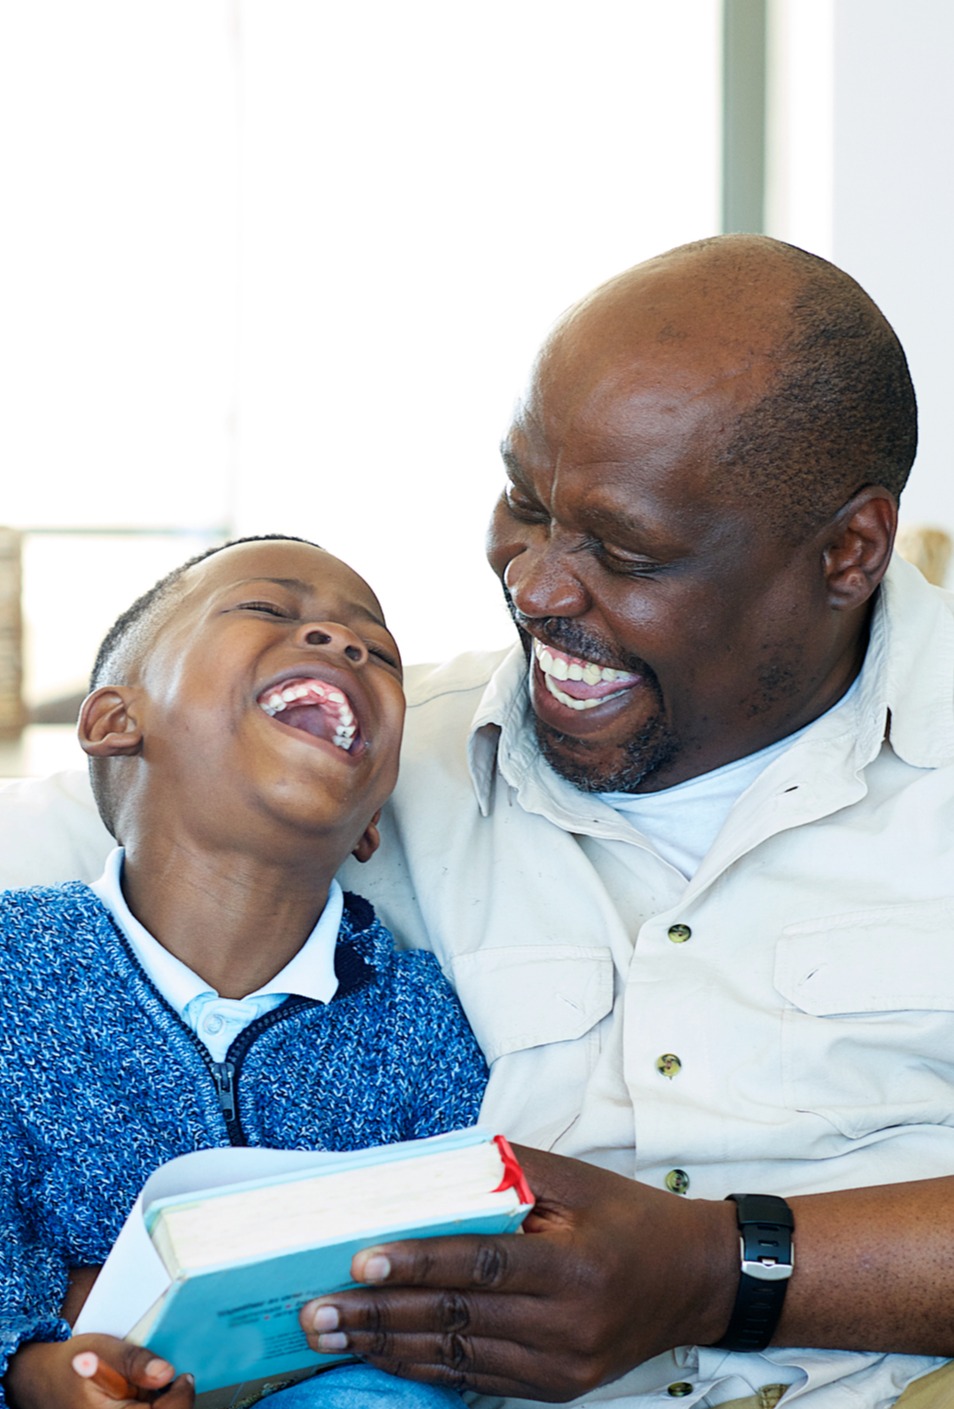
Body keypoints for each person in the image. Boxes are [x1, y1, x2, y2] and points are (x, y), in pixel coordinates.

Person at [1, 235, 953, 1409]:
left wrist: (717, 1270)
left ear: (848, 552)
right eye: (524, 503)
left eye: (624, 547)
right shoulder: (375, 753)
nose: (537, 586)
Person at [0, 535, 485, 1409]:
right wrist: (32, 1366)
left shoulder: (421, 1018)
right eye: (268, 608)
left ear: (372, 817)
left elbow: (445, 1281)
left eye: (376, 651)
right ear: (116, 721)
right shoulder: (13, 965)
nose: (342, 643)